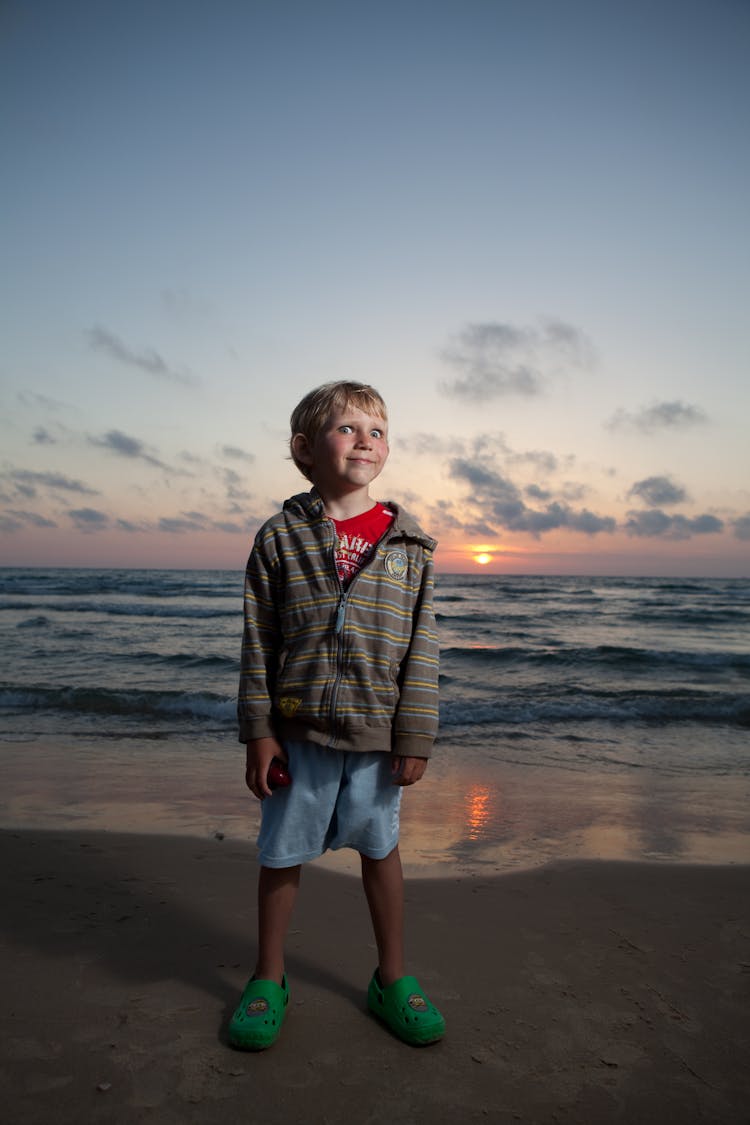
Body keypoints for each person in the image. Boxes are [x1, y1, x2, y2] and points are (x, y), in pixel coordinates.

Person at [229, 380, 445, 1051]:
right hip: (299, 732)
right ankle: (268, 976)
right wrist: (259, 731)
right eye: (348, 429)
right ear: (304, 449)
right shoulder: (280, 537)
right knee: (281, 853)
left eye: (377, 431)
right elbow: (257, 638)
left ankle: (392, 976)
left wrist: (415, 734)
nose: (365, 441)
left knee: (380, 849)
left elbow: (423, 650)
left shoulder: (410, 545)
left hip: (377, 736)